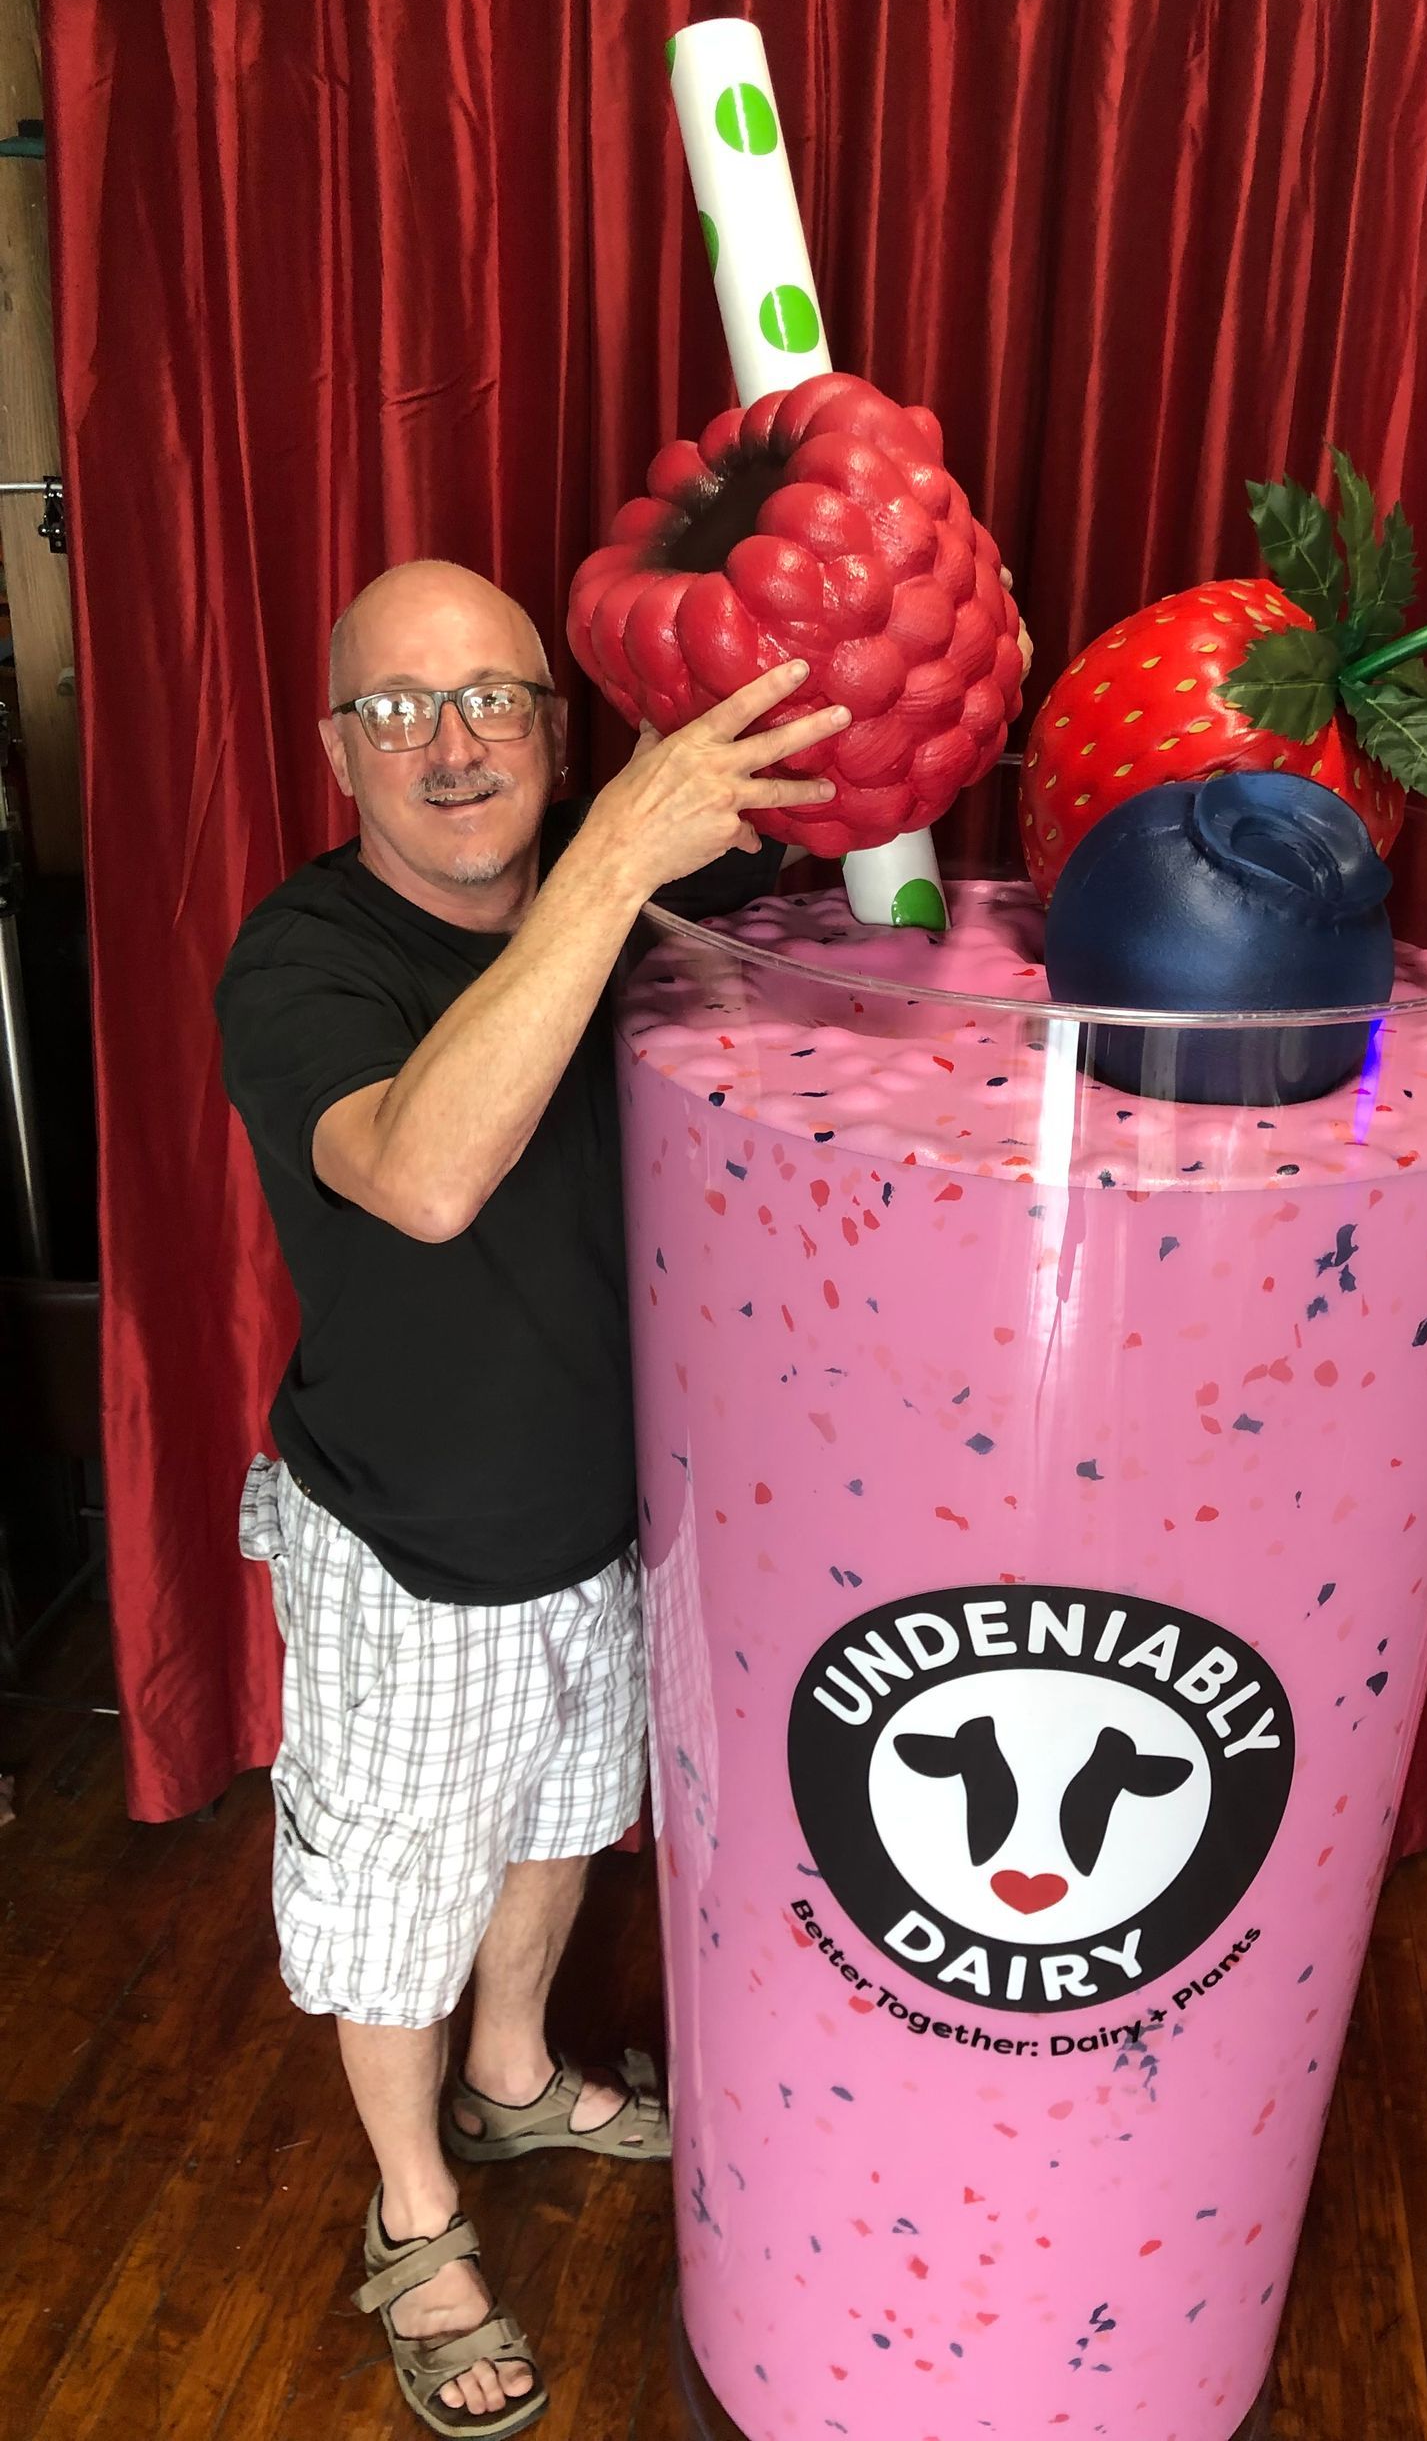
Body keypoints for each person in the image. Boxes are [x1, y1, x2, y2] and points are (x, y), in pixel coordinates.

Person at [217, 558, 852, 2438]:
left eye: (492, 696)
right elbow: (424, 1174)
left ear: (553, 726)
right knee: (393, 1897)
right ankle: (414, 2213)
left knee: (561, 1829)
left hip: (610, 1530)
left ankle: (515, 2076)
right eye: (399, 708)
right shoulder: (302, 959)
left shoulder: (618, 855)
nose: (453, 742)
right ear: (340, 748)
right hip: (406, 1548)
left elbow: (849, 779)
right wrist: (610, 864)